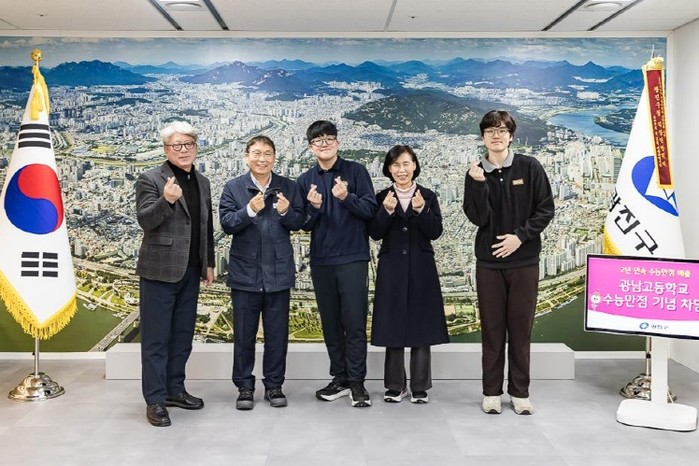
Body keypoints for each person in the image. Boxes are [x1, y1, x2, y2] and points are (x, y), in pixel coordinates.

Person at [462, 110, 554, 415]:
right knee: (491, 330)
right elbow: (478, 218)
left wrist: (520, 237)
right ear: (483, 137)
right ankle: (491, 392)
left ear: (511, 136)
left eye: (502, 130)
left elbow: (545, 209)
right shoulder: (475, 172)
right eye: (490, 131)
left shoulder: (530, 166)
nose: (496, 135)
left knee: (520, 329)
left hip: (524, 261)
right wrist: (479, 184)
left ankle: (519, 392)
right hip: (488, 264)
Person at [135, 121, 215, 427]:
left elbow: (205, 226)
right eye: (176, 145)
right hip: (159, 270)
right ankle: (155, 400)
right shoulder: (150, 178)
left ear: (196, 147)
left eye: (188, 144)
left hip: (191, 269)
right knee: (156, 339)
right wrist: (166, 200)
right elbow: (145, 220)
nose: (183, 150)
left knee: (182, 337)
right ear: (166, 149)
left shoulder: (202, 181)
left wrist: (208, 263)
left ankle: (175, 390)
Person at [297, 120, 378, 407]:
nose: (324, 144)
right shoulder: (305, 180)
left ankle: (357, 383)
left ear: (338, 142)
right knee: (330, 324)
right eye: (318, 141)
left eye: (329, 138)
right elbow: (304, 224)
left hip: (353, 257)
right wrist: (314, 208)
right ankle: (340, 378)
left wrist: (346, 197)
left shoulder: (356, 171)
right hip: (322, 260)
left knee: (354, 323)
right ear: (311, 147)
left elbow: (370, 210)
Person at [219, 135, 304, 410]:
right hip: (245, 274)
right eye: (256, 153)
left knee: (277, 336)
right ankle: (244, 387)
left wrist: (287, 212)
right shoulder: (233, 188)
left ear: (275, 158)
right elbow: (227, 224)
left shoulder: (288, 187)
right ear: (246, 156)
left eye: (267, 153)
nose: (262, 158)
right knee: (244, 336)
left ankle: (274, 385)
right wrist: (249, 210)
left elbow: (300, 222)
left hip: (278, 273)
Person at [369, 145, 449, 404]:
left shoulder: (428, 196)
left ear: (415, 166)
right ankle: (395, 386)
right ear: (388, 169)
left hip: (421, 267)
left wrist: (422, 210)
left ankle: (419, 387)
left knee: (420, 326)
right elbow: (375, 232)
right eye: (395, 165)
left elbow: (435, 232)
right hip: (391, 267)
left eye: (406, 164)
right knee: (392, 324)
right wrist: (386, 211)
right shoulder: (382, 196)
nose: (401, 170)